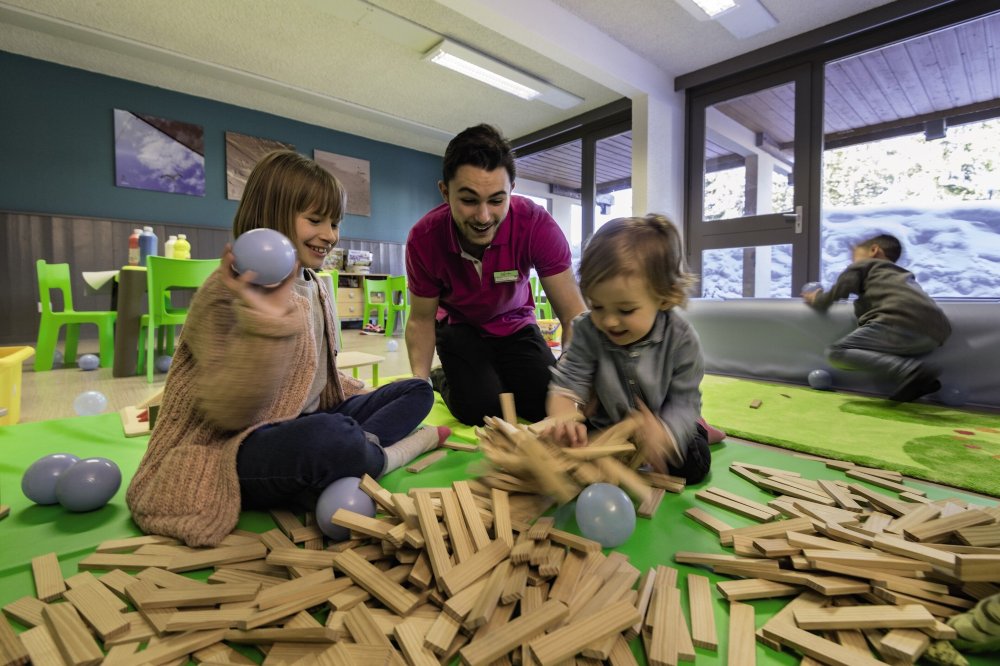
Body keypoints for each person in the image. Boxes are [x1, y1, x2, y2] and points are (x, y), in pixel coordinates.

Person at [127, 150, 447, 547]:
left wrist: (359, 396)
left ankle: (349, 454)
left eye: (335, 223)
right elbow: (229, 414)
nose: (330, 235)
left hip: (306, 419)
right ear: (271, 216)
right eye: (315, 220)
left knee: (417, 390)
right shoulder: (225, 293)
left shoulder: (314, 283)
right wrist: (267, 326)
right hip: (235, 444)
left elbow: (316, 376)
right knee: (331, 438)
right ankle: (380, 458)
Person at [405, 124, 586, 426]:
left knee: (546, 402)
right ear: (445, 192)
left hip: (515, 323)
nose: (483, 216)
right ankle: (442, 377)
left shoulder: (536, 225)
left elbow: (573, 316)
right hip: (459, 327)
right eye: (469, 200)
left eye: (496, 200)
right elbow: (421, 320)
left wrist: (571, 386)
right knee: (481, 409)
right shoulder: (424, 238)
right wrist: (418, 385)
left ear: (512, 190)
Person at [543, 214, 711, 484]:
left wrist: (664, 435)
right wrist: (565, 417)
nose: (609, 321)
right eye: (597, 306)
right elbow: (568, 382)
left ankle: (703, 429)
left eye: (626, 310)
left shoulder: (682, 340)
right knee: (567, 456)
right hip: (607, 427)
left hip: (662, 424)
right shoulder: (587, 329)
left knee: (694, 466)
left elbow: (684, 401)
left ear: (664, 297)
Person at [803, 233, 951, 403]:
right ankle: (921, 382)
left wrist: (818, 299)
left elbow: (841, 289)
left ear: (874, 250)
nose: (853, 262)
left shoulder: (866, 266)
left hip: (899, 322)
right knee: (882, 350)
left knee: (836, 353)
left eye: (854, 257)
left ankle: (910, 370)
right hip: (936, 333)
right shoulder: (902, 276)